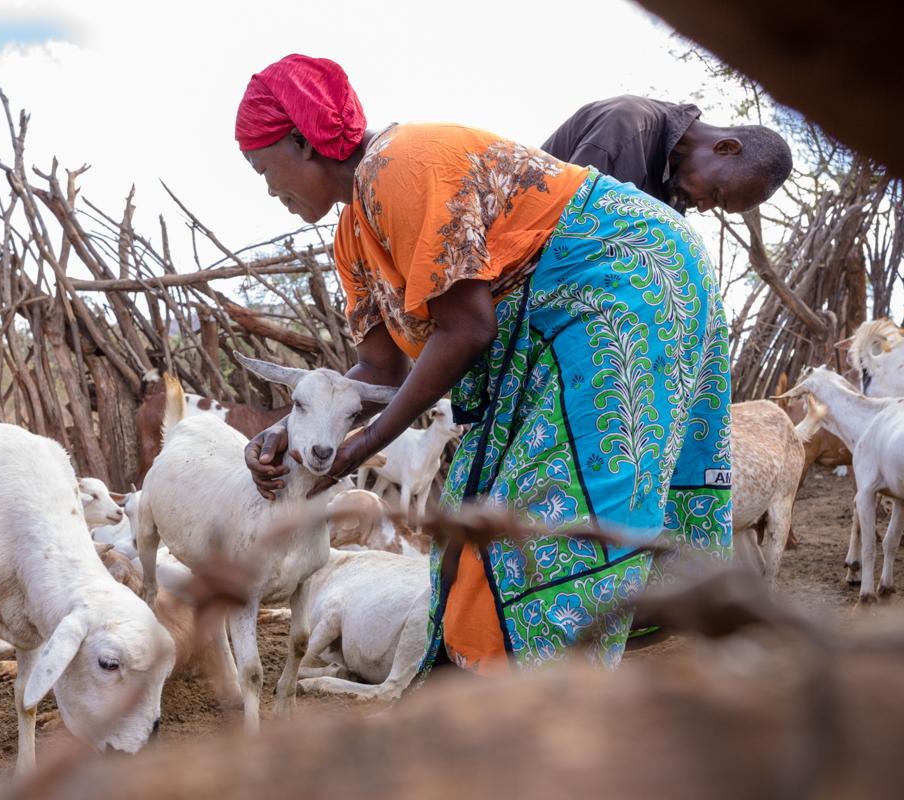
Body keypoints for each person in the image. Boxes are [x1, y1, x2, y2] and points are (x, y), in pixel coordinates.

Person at [237, 54, 731, 678]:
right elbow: (375, 369)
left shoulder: (401, 163)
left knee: (559, 517)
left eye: (263, 168)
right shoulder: (352, 236)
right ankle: (491, 695)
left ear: (302, 141)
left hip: (624, 284)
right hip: (551, 326)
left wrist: (362, 446)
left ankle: (548, 704)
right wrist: (295, 428)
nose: (268, 188)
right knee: (488, 516)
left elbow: (468, 328)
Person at [541, 95, 792, 215]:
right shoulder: (627, 127)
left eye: (715, 205)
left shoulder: (678, 190)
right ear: (725, 148)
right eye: (716, 195)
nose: (703, 208)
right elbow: (568, 232)